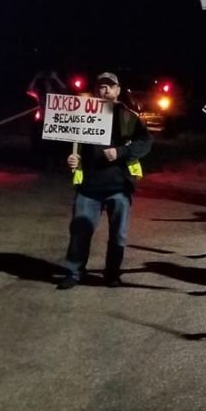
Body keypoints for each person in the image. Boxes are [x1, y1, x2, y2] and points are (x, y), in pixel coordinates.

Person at [58, 72, 152, 290]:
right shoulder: (81, 114)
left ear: (118, 90)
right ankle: (73, 272)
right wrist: (71, 157)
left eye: (111, 86)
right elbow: (70, 142)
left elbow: (145, 141)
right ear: (96, 90)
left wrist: (120, 153)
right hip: (89, 187)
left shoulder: (128, 116)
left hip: (119, 187)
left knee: (118, 235)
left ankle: (112, 275)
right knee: (80, 231)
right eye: (102, 87)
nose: (106, 90)